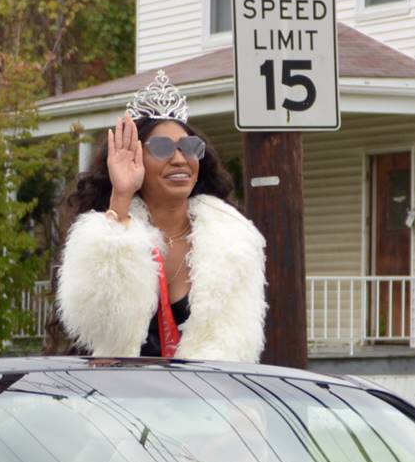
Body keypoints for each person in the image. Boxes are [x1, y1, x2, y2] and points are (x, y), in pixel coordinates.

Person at [56, 71, 266, 361]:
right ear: (134, 157)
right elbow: (97, 323)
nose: (180, 159)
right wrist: (122, 194)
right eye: (162, 148)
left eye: (190, 148)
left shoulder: (233, 244)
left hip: (209, 400)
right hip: (123, 399)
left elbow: (241, 349)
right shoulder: (105, 237)